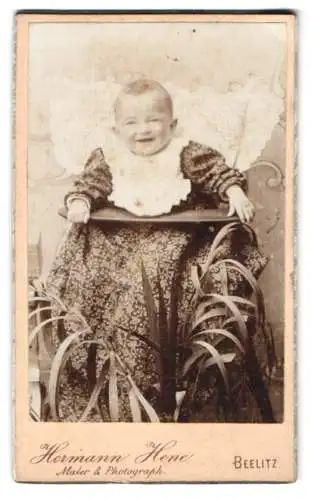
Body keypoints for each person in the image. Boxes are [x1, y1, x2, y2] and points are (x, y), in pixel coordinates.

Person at [46, 79, 267, 422]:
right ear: (117, 128)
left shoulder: (186, 153)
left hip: (173, 234)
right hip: (119, 236)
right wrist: (80, 201)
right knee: (102, 275)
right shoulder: (110, 156)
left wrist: (234, 190)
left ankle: (167, 385)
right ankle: (112, 382)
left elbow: (215, 173)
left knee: (158, 271)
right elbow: (91, 184)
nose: (143, 130)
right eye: (131, 123)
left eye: (153, 120)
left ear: (172, 125)